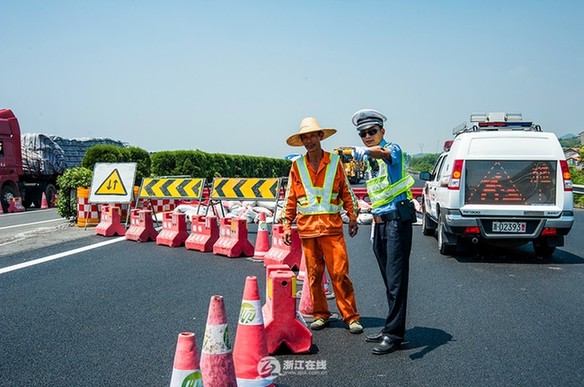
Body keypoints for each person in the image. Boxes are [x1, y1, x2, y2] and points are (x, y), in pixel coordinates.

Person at [281, 116, 363, 334]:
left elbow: (346, 191)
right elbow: (290, 197)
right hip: (308, 230)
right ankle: (320, 314)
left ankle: (350, 316)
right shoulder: (297, 166)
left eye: (312, 136)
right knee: (314, 275)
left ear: (320, 137)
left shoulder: (335, 162)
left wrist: (353, 217)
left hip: (331, 228)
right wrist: (286, 224)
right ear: (302, 141)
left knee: (340, 273)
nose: (309, 141)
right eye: (305, 137)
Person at [351, 108, 416, 355]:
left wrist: (367, 150)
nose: (367, 136)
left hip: (397, 222)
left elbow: (385, 153)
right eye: (363, 134)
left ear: (382, 132)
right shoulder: (369, 161)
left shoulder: (393, 149)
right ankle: (391, 325)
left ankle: (394, 334)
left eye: (372, 131)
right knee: (389, 280)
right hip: (379, 224)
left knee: (397, 280)